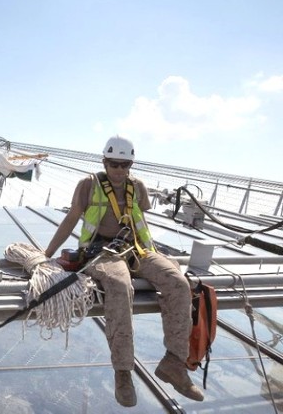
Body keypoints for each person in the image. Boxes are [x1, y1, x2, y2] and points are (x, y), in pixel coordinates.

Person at [45, 135, 203, 407]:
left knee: (177, 282)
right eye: (113, 164)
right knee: (119, 286)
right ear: (104, 162)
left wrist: (156, 257)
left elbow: (141, 221)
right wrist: (45, 255)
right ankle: (123, 371)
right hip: (101, 252)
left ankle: (174, 363)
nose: (119, 170)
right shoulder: (88, 185)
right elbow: (72, 218)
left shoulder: (137, 187)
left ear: (131, 165)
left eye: (124, 165)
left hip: (137, 250)